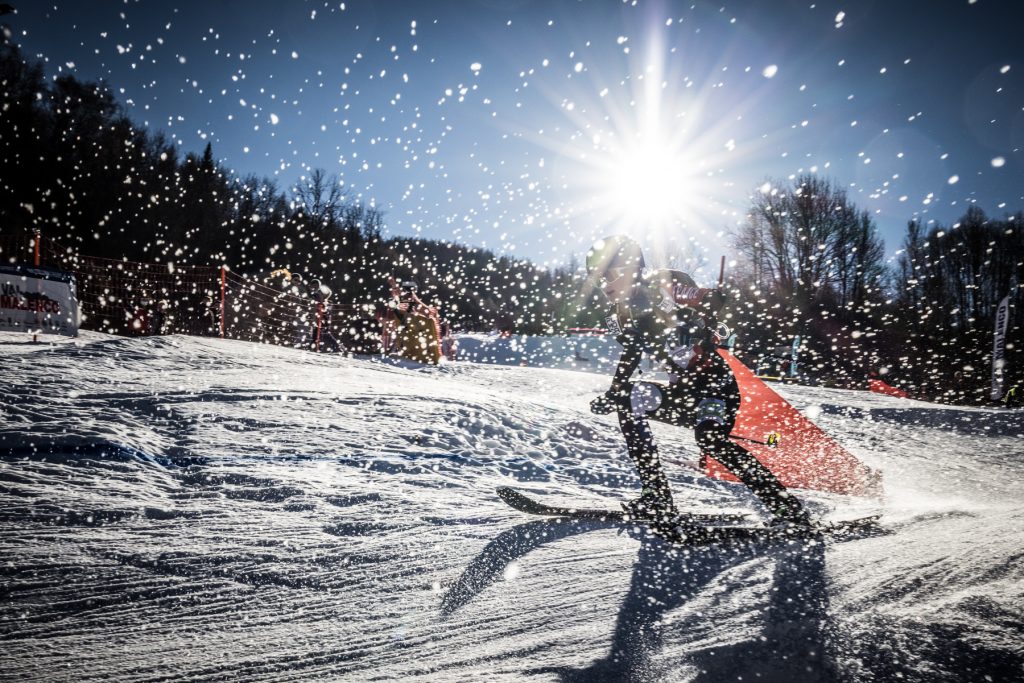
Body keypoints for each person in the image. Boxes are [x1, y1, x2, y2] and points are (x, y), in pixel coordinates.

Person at [585, 235, 811, 533]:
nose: (605, 286)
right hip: (684, 394)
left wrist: (700, 307)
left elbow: (717, 300)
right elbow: (631, 353)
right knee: (629, 398)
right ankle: (657, 497)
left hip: (715, 388)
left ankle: (786, 506)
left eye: (608, 276)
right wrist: (614, 393)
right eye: (599, 279)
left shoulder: (661, 285)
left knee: (710, 440)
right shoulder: (620, 315)